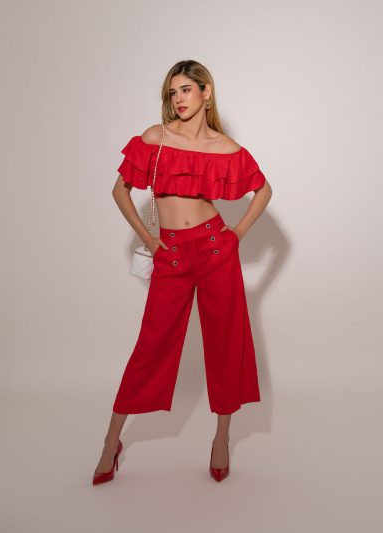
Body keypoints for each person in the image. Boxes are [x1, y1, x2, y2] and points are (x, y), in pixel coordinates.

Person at [93, 59, 272, 485]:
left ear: (206, 92)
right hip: (171, 255)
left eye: (186, 90)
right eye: (172, 93)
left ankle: (222, 436)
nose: (178, 99)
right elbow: (120, 190)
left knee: (225, 344)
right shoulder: (156, 138)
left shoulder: (224, 147)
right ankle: (111, 441)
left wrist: (236, 234)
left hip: (214, 251)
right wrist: (150, 239)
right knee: (151, 345)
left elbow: (263, 190)